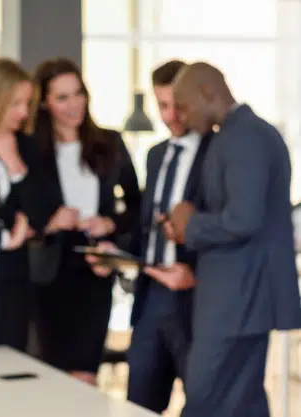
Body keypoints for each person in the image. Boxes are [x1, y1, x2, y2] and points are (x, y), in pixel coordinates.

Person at [166, 61, 301, 417]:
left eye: (183, 105)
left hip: (237, 298)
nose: (178, 117)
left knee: (204, 399)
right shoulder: (236, 134)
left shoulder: (245, 137)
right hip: (240, 296)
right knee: (243, 401)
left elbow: (244, 219)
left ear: (208, 93)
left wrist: (190, 224)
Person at [87, 60, 211, 413]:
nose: (170, 115)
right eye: (162, 105)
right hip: (150, 299)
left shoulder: (216, 153)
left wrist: (197, 273)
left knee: (202, 403)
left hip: (194, 299)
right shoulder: (156, 156)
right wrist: (115, 251)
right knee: (139, 405)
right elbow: (146, 227)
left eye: (177, 105)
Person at [31, 58, 141, 385]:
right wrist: (50, 221)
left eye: (78, 93)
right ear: (45, 103)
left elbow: (137, 205)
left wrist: (110, 226)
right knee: (51, 376)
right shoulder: (33, 151)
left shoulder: (109, 142)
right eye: (62, 97)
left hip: (95, 268)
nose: (73, 104)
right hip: (48, 273)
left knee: (85, 374)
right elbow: (16, 209)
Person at [0, 58, 56, 352]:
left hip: (14, 279)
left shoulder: (26, 146)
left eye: (27, 103)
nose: (22, 112)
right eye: (15, 103)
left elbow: (42, 214)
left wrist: (16, 167)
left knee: (12, 361)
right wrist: (7, 238)